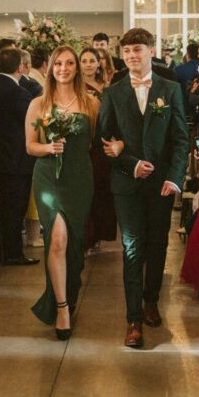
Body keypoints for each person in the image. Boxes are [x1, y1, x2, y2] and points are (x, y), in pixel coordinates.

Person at [99, 28, 190, 348]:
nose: (131, 56)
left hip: (162, 185)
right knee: (133, 248)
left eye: (137, 50)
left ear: (151, 51)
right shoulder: (112, 93)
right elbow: (105, 141)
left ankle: (151, 300)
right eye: (126, 52)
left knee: (157, 246)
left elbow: (181, 140)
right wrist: (131, 164)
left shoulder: (171, 88)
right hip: (126, 184)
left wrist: (175, 177)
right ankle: (133, 318)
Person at [26, 46, 98, 339]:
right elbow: (30, 146)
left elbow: (94, 142)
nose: (64, 69)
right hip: (47, 178)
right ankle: (61, 308)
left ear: (77, 68)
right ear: (51, 67)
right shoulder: (38, 103)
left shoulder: (91, 103)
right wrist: (48, 147)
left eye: (70, 63)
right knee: (57, 240)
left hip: (79, 179)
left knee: (74, 243)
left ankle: (69, 288)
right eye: (58, 64)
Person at [0, 47, 40, 266]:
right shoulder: (18, 92)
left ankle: (5, 250)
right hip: (16, 158)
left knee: (7, 205)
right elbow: (30, 121)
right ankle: (12, 252)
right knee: (15, 208)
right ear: (20, 67)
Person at [79, 47, 118, 247]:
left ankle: (101, 233)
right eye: (84, 61)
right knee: (88, 190)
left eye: (92, 61)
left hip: (105, 141)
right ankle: (87, 235)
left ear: (98, 63)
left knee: (104, 189)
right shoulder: (76, 87)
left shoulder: (108, 86)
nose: (88, 65)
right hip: (86, 142)